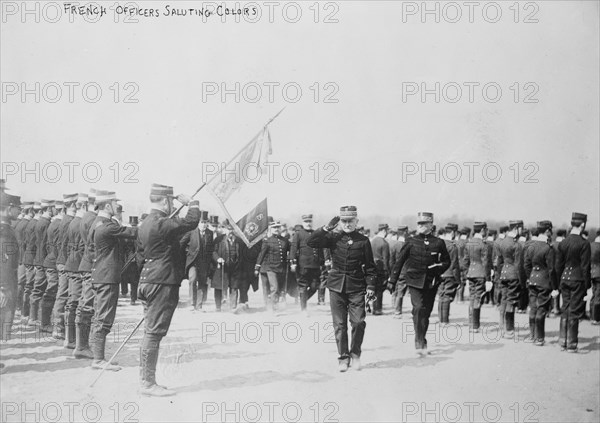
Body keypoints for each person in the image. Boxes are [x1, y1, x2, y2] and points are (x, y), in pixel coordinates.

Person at [137, 183, 200, 396]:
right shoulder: (161, 223)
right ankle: (147, 383)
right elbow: (191, 221)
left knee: (150, 332)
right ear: (165, 201)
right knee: (153, 334)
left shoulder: (146, 223)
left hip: (148, 279)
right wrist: (192, 203)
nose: (173, 204)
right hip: (161, 282)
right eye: (172, 201)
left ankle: (146, 380)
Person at [307, 206, 376, 371]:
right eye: (344, 221)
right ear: (339, 222)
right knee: (339, 324)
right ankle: (343, 357)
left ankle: (355, 354)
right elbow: (311, 242)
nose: (347, 224)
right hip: (336, 285)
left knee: (358, 322)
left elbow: (371, 267)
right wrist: (325, 228)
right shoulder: (333, 238)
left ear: (356, 221)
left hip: (357, 286)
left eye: (350, 221)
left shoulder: (363, 241)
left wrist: (371, 287)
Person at [388, 212, 450, 357]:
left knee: (426, 313)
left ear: (431, 225)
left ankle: (422, 338)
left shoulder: (438, 242)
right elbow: (399, 262)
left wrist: (438, 268)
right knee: (418, 309)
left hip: (431, 282)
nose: (421, 226)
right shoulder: (411, 241)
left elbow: (447, 261)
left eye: (424, 224)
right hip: (414, 281)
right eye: (419, 224)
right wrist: (392, 280)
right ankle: (419, 341)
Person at [89, 191, 137, 371]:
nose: (117, 206)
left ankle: (98, 356)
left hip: (101, 275)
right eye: (115, 203)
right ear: (107, 205)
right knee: (104, 318)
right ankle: (98, 359)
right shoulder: (107, 226)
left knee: (99, 316)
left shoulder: (96, 223)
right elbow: (133, 232)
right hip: (107, 278)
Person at [555, 212, 591, 353]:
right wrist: (588, 287)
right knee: (574, 311)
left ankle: (562, 340)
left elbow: (558, 266)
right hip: (577, 280)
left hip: (564, 279)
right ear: (582, 225)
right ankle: (572, 343)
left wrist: (557, 284)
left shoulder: (563, 242)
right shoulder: (584, 243)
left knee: (565, 308)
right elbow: (585, 267)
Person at [524, 220, 558, 346]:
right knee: (541, 309)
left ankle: (532, 335)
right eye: (550, 231)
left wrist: (531, 276)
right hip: (544, 282)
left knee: (533, 308)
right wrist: (555, 287)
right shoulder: (548, 248)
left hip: (532, 280)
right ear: (547, 231)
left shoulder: (531, 246)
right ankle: (540, 338)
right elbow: (551, 269)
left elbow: (526, 265)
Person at [0, 191, 21, 374]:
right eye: (17, 208)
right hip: (4, 282)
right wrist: (3, 288)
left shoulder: (6, 227)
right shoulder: (4, 230)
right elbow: (4, 262)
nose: (19, 211)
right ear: (8, 209)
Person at [290, 214, 324, 314]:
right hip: (303, 265)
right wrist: (293, 262)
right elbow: (293, 248)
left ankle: (302, 299)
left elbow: (320, 249)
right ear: (303, 222)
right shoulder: (298, 234)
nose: (308, 224)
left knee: (315, 286)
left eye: (310, 222)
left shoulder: (316, 233)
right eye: (306, 222)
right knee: (303, 286)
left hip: (315, 265)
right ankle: (303, 308)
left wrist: (322, 261)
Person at [180, 210, 214, 311]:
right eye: (202, 223)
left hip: (204, 263)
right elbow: (181, 244)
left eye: (205, 223)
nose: (203, 225)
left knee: (202, 283)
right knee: (193, 279)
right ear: (198, 223)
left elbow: (211, 248)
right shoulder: (191, 232)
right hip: (193, 262)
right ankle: (192, 303)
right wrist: (186, 254)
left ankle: (199, 305)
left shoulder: (210, 234)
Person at [496, 220, 524, 337]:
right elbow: (518, 264)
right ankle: (509, 329)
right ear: (517, 228)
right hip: (513, 275)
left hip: (503, 274)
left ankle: (502, 327)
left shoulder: (501, 243)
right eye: (521, 228)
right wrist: (522, 281)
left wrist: (499, 275)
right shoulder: (516, 245)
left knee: (504, 299)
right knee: (511, 301)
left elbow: (499, 262)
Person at [464, 222, 492, 333]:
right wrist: (488, 279)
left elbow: (466, 261)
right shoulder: (484, 245)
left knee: (472, 298)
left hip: (471, 273)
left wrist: (467, 273)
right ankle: (475, 325)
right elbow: (486, 263)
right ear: (482, 230)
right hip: (480, 274)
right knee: (478, 299)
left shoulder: (468, 243)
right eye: (485, 229)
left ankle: (471, 324)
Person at [256, 219, 290, 312]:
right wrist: (257, 266)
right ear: (271, 229)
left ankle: (274, 304)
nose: (276, 229)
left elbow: (291, 251)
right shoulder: (267, 241)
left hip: (281, 268)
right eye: (274, 227)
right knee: (274, 288)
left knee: (279, 289)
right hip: (271, 268)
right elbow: (262, 254)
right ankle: (272, 307)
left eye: (278, 227)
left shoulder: (285, 241)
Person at [211, 220, 244, 312]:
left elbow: (241, 254)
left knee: (234, 286)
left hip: (234, 268)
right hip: (221, 267)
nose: (230, 231)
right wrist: (218, 259)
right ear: (224, 230)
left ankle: (233, 307)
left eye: (232, 229)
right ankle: (218, 307)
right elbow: (213, 252)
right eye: (228, 229)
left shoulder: (239, 241)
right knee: (219, 287)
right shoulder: (218, 240)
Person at [437, 224, 461, 324]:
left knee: (441, 296)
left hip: (439, 273)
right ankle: (445, 321)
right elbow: (455, 264)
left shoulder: (438, 244)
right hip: (449, 274)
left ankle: (441, 319)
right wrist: (458, 280)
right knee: (447, 296)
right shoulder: (452, 246)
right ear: (452, 232)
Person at [370, 223, 390, 316]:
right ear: (384, 230)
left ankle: (374, 307)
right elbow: (386, 260)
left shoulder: (372, 241)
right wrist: (387, 272)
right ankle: (378, 309)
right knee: (380, 289)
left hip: (372, 268)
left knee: (373, 288)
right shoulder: (384, 243)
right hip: (380, 268)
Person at [390, 226, 409, 318]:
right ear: (405, 232)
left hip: (395, 271)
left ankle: (394, 306)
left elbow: (391, 260)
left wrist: (392, 271)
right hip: (404, 271)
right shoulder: (407, 245)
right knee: (401, 291)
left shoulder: (394, 245)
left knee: (395, 289)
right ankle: (397, 311)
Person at [590, 229, 600, 325]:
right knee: (598, 295)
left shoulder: (591, 245)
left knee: (594, 294)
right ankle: (596, 318)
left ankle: (592, 315)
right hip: (599, 274)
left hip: (592, 272)